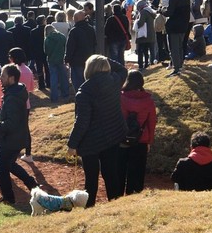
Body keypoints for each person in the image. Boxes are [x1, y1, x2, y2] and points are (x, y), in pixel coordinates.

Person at [67, 54, 127, 207]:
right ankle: (116, 206)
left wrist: (72, 144)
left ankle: (90, 208)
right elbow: (122, 68)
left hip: (90, 142)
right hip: (112, 135)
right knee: (111, 174)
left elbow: (82, 121)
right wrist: (105, 59)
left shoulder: (84, 91)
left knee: (91, 179)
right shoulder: (114, 81)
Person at [0, 63, 38, 208]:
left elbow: (11, 123)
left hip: (12, 139)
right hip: (16, 137)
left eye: (3, 76)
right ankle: (32, 184)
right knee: (9, 164)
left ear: (11, 78)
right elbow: (8, 115)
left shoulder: (12, 97)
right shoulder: (15, 92)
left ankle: (9, 198)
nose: (0, 78)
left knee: (1, 167)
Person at [119, 70, 157, 195]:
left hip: (122, 139)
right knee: (138, 171)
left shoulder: (121, 97)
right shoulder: (148, 100)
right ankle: (135, 194)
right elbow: (152, 122)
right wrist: (149, 141)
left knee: (121, 169)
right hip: (141, 139)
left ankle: (119, 196)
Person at [164, 0, 192, 75]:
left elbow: (170, 13)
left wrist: (162, 11)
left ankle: (176, 69)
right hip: (184, 25)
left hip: (174, 26)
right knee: (180, 47)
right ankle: (180, 66)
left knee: (174, 48)